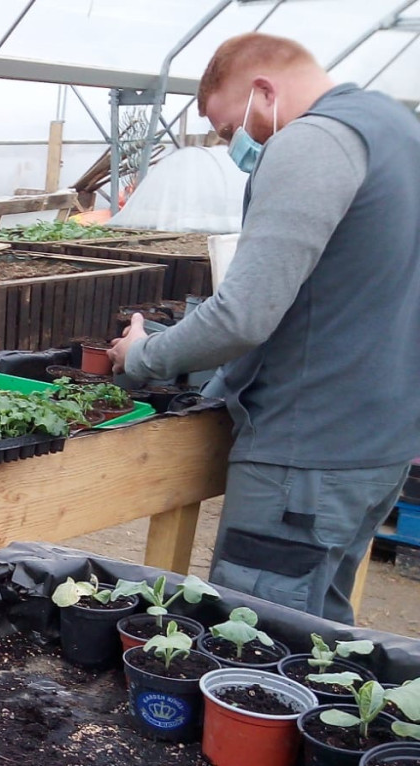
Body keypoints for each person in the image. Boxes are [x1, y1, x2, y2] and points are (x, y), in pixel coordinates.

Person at [109, 33, 420, 624]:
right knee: (321, 635)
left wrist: (145, 353)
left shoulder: (311, 142)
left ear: (263, 91)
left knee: (260, 644)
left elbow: (242, 316)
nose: (236, 145)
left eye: (229, 130)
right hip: (380, 446)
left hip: (305, 458)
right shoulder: (398, 130)